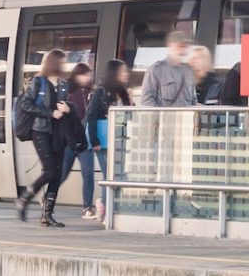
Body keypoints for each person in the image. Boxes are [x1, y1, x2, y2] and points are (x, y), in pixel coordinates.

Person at [15, 49, 72, 226]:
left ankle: (47, 215)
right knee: (50, 171)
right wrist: (49, 113)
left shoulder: (63, 84)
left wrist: (67, 109)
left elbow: (64, 106)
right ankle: (25, 197)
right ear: (54, 63)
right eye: (62, 61)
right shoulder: (39, 82)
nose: (65, 65)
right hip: (40, 131)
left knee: (57, 174)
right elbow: (25, 104)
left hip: (59, 133)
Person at [86, 59, 131, 220]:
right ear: (115, 73)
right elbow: (91, 116)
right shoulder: (101, 91)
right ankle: (105, 206)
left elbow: (128, 117)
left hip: (119, 140)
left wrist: (130, 103)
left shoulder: (124, 93)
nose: (126, 74)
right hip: (103, 141)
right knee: (109, 174)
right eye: (123, 71)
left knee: (118, 174)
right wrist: (94, 140)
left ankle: (107, 205)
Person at [59, 63, 99, 219]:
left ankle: (87, 208)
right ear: (76, 75)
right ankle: (48, 197)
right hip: (69, 140)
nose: (88, 78)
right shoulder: (67, 92)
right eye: (85, 75)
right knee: (63, 173)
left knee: (88, 173)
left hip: (84, 140)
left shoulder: (92, 92)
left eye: (89, 75)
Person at [139, 30, 196, 108]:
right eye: (180, 46)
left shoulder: (188, 72)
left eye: (185, 46)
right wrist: (161, 116)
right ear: (171, 46)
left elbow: (193, 101)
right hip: (164, 119)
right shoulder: (156, 70)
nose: (182, 50)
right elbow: (146, 100)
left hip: (186, 119)